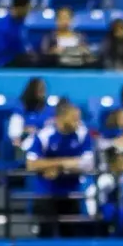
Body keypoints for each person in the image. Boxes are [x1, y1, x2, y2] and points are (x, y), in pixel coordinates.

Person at [25, 101, 95, 237]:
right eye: (74, 118)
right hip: (46, 193)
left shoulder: (82, 133)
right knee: (46, 236)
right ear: (61, 118)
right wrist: (65, 163)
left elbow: (88, 163)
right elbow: (31, 164)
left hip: (71, 194)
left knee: (71, 236)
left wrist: (55, 166)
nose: (78, 122)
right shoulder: (45, 135)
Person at [0, 0, 34, 68]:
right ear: (20, 8)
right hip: (4, 67)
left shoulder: (20, 25)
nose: (29, 12)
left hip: (19, 64)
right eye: (27, 8)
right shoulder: (2, 28)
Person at [6, 78, 53, 152]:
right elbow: (14, 133)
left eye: (43, 89)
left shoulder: (50, 110)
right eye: (39, 89)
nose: (42, 92)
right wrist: (24, 130)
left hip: (45, 146)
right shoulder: (20, 108)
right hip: (25, 146)